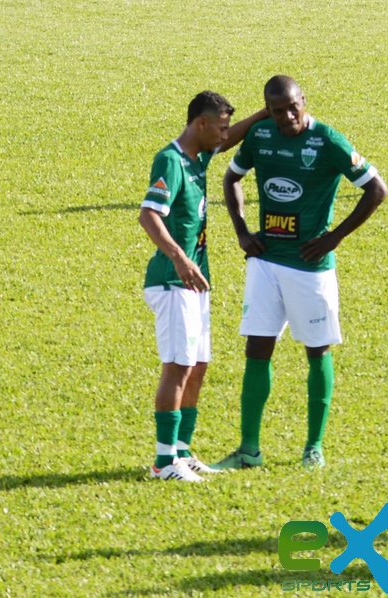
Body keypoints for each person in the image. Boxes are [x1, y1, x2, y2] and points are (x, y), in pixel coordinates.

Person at [214, 76, 388, 471]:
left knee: (317, 350)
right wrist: (242, 232)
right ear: (268, 110)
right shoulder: (259, 136)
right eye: (278, 110)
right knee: (256, 350)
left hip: (310, 267)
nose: (288, 116)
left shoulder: (327, 140)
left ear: (303, 101)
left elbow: (377, 189)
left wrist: (334, 238)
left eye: (293, 107)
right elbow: (231, 178)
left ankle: (314, 447)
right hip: (266, 262)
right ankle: (249, 450)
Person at [139, 92, 268, 482]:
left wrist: (267, 113)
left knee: (197, 365)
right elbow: (148, 216)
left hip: (196, 283)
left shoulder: (200, 155)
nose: (225, 136)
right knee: (178, 366)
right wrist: (180, 258)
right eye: (221, 127)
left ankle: (182, 451)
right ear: (201, 124)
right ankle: (164, 462)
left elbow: (228, 139)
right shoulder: (171, 160)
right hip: (171, 280)